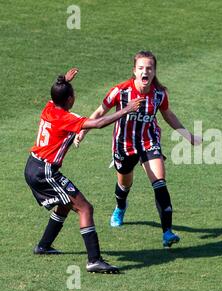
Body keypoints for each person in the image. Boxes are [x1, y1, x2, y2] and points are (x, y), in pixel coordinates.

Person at [74, 51, 201, 248]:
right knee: (124, 184)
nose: (145, 71)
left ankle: (167, 232)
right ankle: (120, 207)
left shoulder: (159, 94)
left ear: (154, 71)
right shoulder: (120, 91)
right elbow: (100, 111)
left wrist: (188, 136)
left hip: (149, 142)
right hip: (124, 145)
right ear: (134, 71)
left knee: (160, 182)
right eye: (141, 68)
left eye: (149, 68)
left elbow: (168, 115)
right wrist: (82, 130)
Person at [24, 68, 143, 274]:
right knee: (85, 208)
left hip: (33, 166)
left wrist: (63, 81)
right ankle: (94, 260)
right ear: (70, 99)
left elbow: (57, 94)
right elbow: (97, 123)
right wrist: (126, 109)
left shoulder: (50, 107)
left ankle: (43, 246)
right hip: (45, 171)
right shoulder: (65, 118)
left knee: (64, 204)